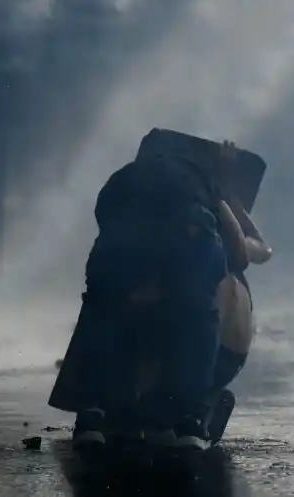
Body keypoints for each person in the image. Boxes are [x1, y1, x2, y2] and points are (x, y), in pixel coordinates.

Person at [71, 140, 272, 451]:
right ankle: (188, 412)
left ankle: (109, 411)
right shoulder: (200, 212)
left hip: (136, 351)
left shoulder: (130, 207)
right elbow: (252, 252)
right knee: (218, 294)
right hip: (192, 346)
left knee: (109, 306)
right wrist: (224, 191)